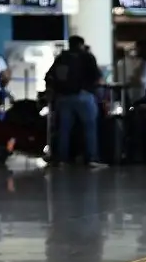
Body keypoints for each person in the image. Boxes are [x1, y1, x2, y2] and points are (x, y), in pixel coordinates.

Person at [45, 35, 105, 167]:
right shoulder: (87, 57)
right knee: (89, 127)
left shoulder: (61, 58)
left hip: (63, 98)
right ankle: (92, 158)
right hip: (83, 96)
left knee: (64, 129)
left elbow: (49, 76)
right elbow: (97, 77)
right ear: (81, 45)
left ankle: (62, 159)